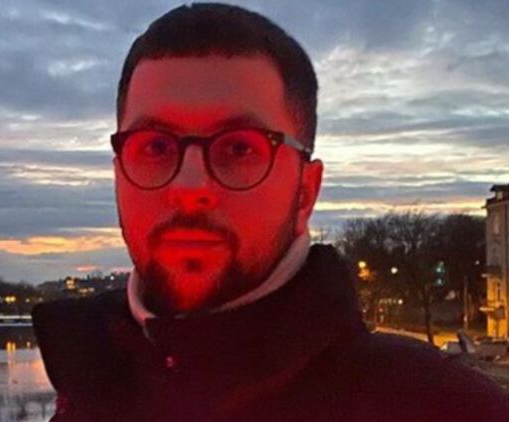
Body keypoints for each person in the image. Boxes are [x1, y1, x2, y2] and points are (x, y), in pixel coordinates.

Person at [32, 3, 509, 421]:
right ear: (118, 173)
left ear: (305, 192)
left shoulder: (448, 409)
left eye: (240, 148)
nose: (189, 188)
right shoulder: (84, 398)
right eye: (155, 147)